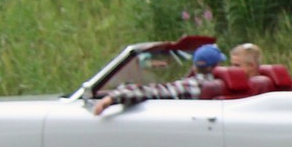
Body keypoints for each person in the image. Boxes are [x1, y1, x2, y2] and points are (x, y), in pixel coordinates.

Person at [93, 43, 225, 115]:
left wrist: (114, 97)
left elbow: (153, 91)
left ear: (194, 67)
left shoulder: (192, 86)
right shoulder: (228, 84)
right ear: (218, 65)